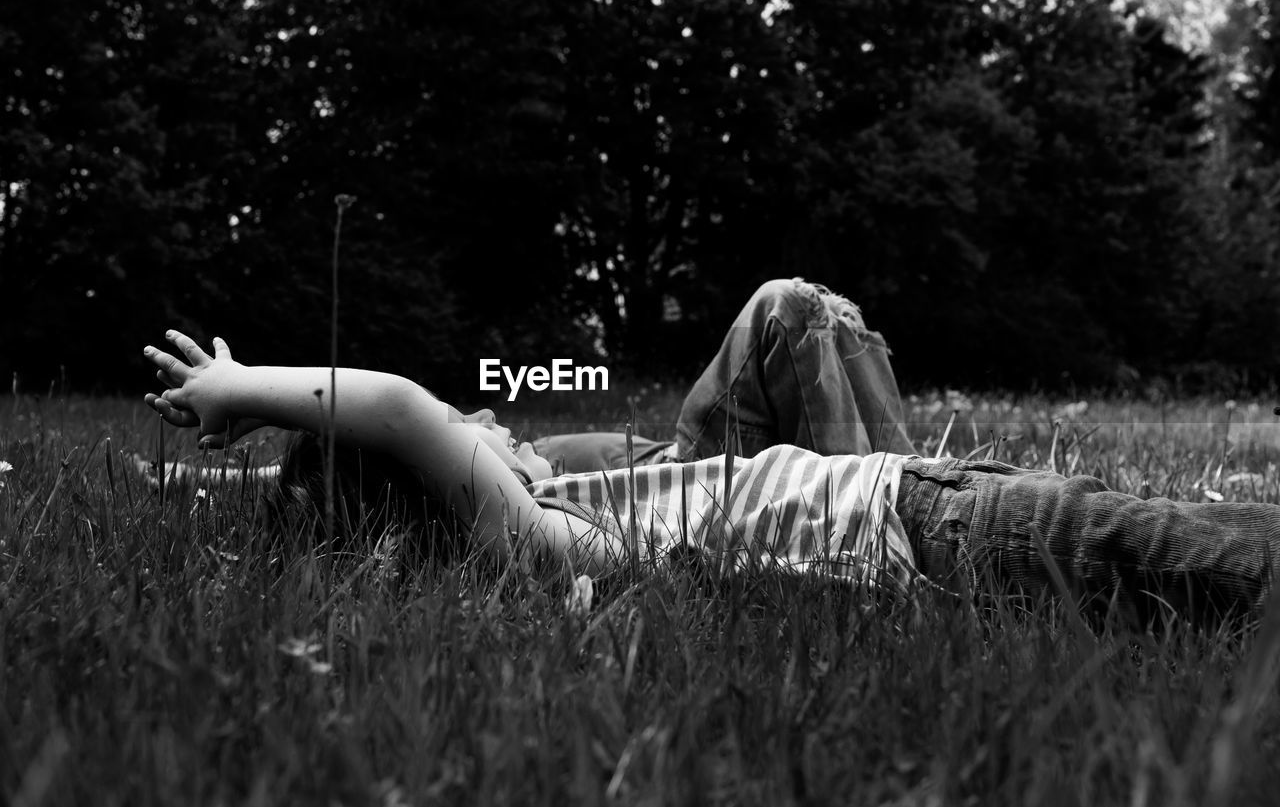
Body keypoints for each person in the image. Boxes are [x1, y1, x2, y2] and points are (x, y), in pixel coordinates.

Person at [142, 280, 1280, 625]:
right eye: (472, 438)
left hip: (933, 502)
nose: (484, 424)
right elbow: (396, 409)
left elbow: (386, 445)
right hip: (931, 527)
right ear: (465, 494)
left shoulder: (576, 511)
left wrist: (259, 426)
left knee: (1205, 555)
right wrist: (244, 386)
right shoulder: (549, 540)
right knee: (1224, 567)